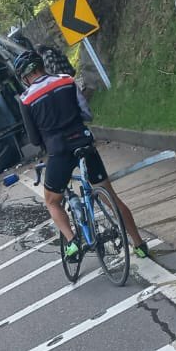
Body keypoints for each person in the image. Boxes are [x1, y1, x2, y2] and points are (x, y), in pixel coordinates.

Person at [14, 49, 149, 263]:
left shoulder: (26, 99)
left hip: (59, 152)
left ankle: (72, 240)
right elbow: (86, 113)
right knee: (110, 196)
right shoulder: (66, 80)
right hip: (84, 141)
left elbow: (35, 140)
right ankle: (140, 244)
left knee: (51, 201)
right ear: (42, 66)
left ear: (24, 77)